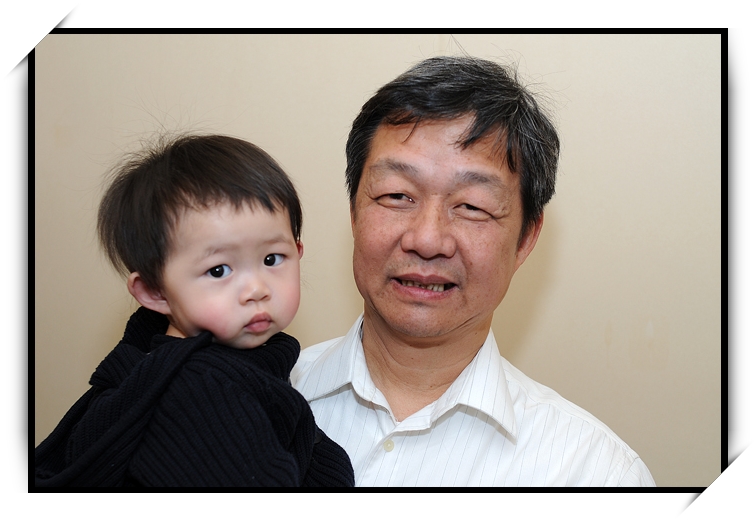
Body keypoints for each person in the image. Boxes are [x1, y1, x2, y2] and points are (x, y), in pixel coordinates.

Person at [290, 56, 655, 486]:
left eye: (472, 206)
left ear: (525, 239)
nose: (427, 239)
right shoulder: (249, 395)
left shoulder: (595, 474)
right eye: (397, 195)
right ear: (354, 212)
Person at [35, 134, 354, 487]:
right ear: (155, 292)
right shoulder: (198, 393)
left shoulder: (230, 365)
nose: (256, 289)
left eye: (271, 259)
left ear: (298, 251)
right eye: (218, 270)